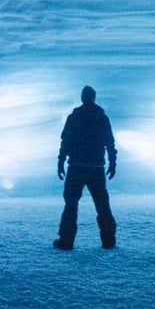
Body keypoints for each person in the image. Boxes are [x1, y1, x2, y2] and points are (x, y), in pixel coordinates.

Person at [53, 86, 117, 250]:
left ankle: (66, 241)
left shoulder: (74, 117)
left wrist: (61, 162)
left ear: (83, 98)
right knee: (102, 204)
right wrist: (112, 162)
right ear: (93, 98)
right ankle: (108, 240)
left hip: (77, 167)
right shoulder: (102, 118)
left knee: (71, 204)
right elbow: (109, 142)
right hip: (96, 168)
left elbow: (65, 142)